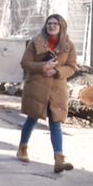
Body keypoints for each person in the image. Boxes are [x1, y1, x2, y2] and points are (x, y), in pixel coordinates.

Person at [16, 14, 78, 173]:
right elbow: (25, 63)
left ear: (61, 26)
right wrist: (44, 66)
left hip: (57, 89)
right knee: (32, 118)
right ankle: (22, 148)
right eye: (49, 23)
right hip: (37, 87)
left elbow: (72, 67)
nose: (51, 26)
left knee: (55, 122)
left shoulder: (68, 45)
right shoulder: (35, 42)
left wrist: (57, 70)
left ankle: (59, 159)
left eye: (55, 23)